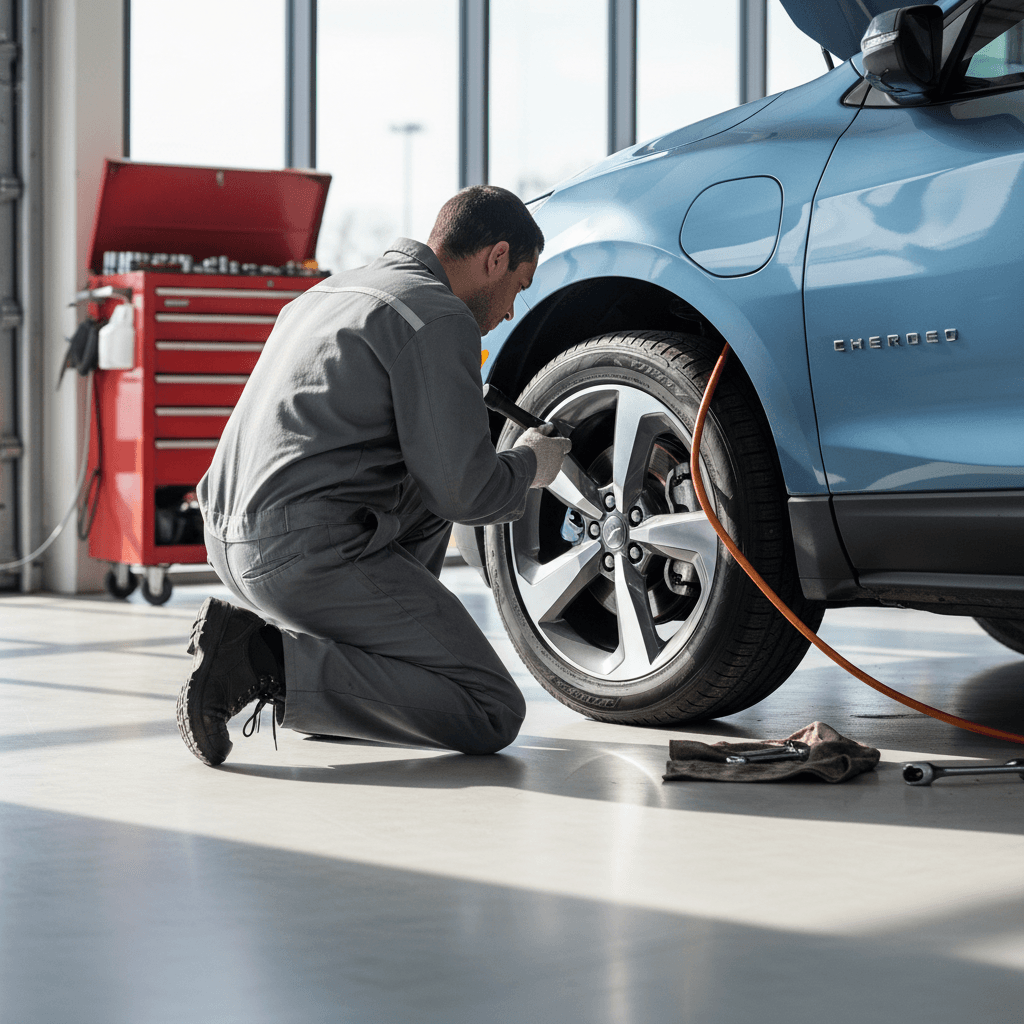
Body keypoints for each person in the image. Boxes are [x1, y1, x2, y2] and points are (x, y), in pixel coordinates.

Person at [176, 185, 572, 767]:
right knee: (491, 708)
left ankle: (349, 676)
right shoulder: (437, 315)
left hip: (227, 539)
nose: (511, 309)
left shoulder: (330, 291)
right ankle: (264, 662)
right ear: (496, 257)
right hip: (298, 553)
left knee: (426, 481)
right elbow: (465, 491)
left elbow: (435, 485)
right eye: (518, 284)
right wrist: (530, 465)